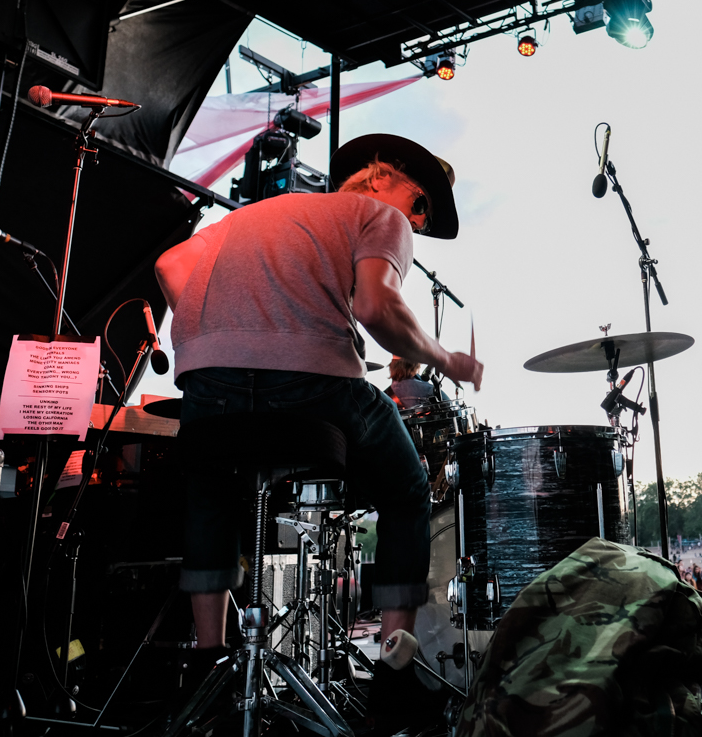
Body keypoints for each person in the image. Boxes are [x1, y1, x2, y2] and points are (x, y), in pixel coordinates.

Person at [154, 134, 483, 708]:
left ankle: (209, 670)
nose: (420, 221)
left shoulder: (252, 215)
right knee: (408, 491)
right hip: (310, 382)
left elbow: (170, 263)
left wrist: (230, 331)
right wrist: (445, 358)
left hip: (208, 383)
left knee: (211, 494)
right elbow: (377, 308)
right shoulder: (378, 214)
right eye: (422, 202)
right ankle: (394, 674)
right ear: (380, 175)